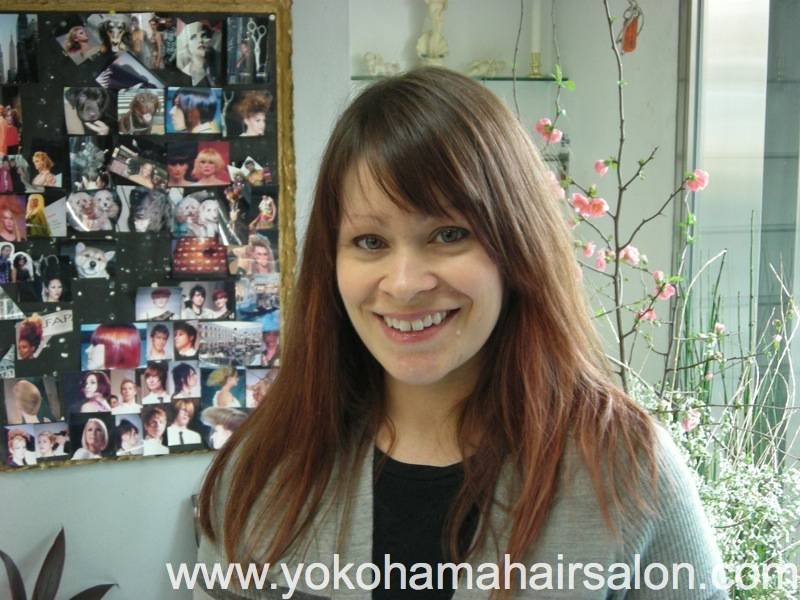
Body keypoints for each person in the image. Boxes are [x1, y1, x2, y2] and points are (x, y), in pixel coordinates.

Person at [196, 69, 725, 598]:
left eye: (449, 235)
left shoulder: (626, 472)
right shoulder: (263, 470)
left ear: (518, 246)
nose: (404, 284)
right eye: (370, 241)